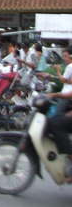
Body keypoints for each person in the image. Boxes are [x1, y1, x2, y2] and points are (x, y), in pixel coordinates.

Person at [46, 48, 72, 180]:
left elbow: (65, 81)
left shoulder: (70, 66)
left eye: (66, 56)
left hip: (66, 98)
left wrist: (55, 94)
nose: (65, 58)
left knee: (56, 122)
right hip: (67, 98)